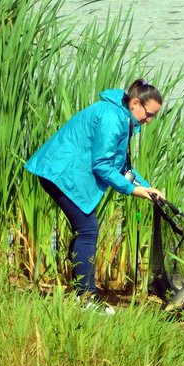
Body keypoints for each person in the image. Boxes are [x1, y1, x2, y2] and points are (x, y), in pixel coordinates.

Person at [24, 79, 165, 312]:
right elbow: (101, 165)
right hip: (59, 172)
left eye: (154, 117)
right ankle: (87, 298)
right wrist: (135, 190)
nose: (149, 121)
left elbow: (120, 166)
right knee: (88, 228)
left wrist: (148, 188)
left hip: (61, 170)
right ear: (136, 103)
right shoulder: (113, 118)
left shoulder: (121, 116)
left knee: (85, 227)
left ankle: (81, 293)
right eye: (149, 114)